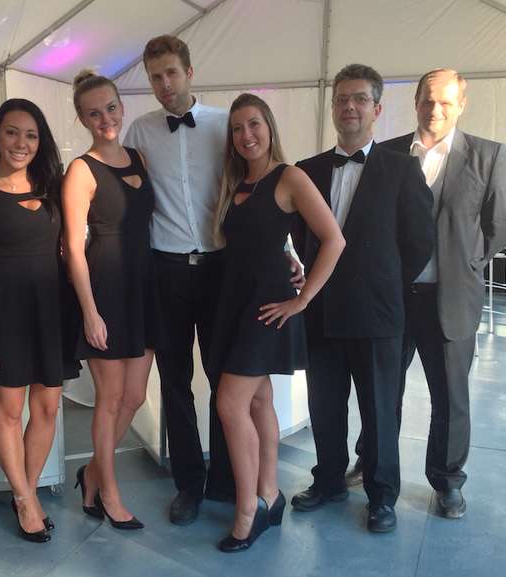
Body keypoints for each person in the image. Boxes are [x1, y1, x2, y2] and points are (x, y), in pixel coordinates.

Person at [124, 34, 304, 526]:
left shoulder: (227, 125)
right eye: (155, 76)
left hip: (224, 272)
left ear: (189, 72)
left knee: (227, 379)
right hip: (166, 269)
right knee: (175, 380)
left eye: (171, 73)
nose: (164, 84)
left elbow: (258, 195)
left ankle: (228, 479)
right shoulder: (139, 132)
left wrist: (283, 251)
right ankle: (189, 484)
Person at [346, 69, 506, 518]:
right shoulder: (387, 153)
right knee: (381, 390)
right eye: (427, 100)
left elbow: (497, 225)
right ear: (415, 102)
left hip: (451, 298)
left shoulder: (489, 156)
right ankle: (371, 460)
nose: (435, 109)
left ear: (461, 105)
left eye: (445, 102)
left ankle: (448, 480)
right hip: (393, 297)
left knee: (450, 397)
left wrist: (465, 263)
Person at [290, 64, 434, 533]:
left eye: (359, 99)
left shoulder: (402, 168)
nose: (348, 107)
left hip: (378, 312)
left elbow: (420, 240)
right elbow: (301, 235)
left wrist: (384, 283)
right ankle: (329, 480)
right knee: (325, 405)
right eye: (341, 99)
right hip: (322, 311)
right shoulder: (308, 170)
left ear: (377, 109)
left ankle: (382, 496)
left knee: (380, 410)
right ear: (333, 107)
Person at [210, 94, 345, 552]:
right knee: (257, 400)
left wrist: (303, 299)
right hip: (234, 302)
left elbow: (334, 239)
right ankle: (269, 493)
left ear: (269, 127)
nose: (246, 135)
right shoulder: (235, 181)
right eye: (237, 128)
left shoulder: (290, 177)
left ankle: (247, 509)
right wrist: (288, 259)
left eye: (254, 124)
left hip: (267, 307)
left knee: (230, 404)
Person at [0, 98, 69, 543]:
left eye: (31, 135)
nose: (21, 143)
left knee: (47, 408)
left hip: (50, 311)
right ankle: (24, 499)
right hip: (3, 314)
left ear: (41, 142)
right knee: (8, 411)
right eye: (11, 132)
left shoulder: (53, 188)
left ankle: (28, 490)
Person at [63, 70, 158, 530]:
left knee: (134, 396)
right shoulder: (81, 170)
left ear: (122, 106)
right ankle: (109, 492)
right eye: (94, 113)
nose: (105, 119)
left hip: (144, 287)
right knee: (111, 396)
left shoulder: (140, 156)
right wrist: (89, 312)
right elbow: (72, 247)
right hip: (105, 290)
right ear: (82, 119)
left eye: (111, 108)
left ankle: (91, 473)